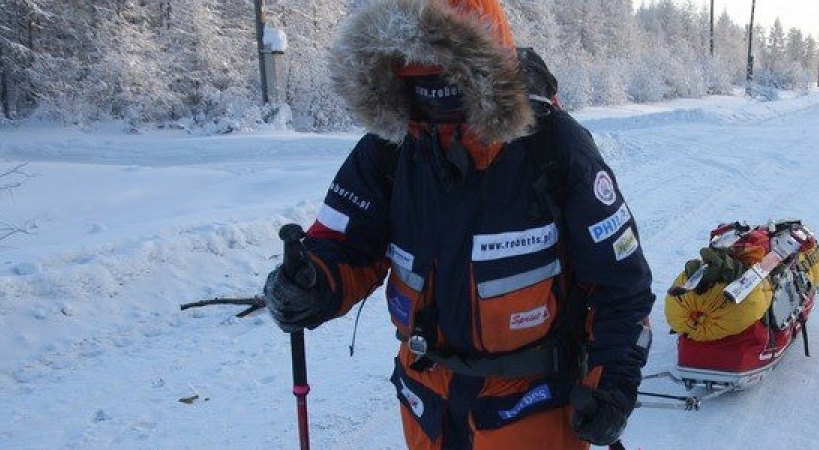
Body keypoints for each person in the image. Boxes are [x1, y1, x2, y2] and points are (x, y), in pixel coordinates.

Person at [262, 1, 655, 449]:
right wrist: (308, 283)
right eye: (411, 71)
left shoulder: (552, 147)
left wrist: (613, 383)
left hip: (534, 413)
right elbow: (342, 247)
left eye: (447, 70)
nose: (431, 88)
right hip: (427, 411)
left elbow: (621, 282)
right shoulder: (389, 150)